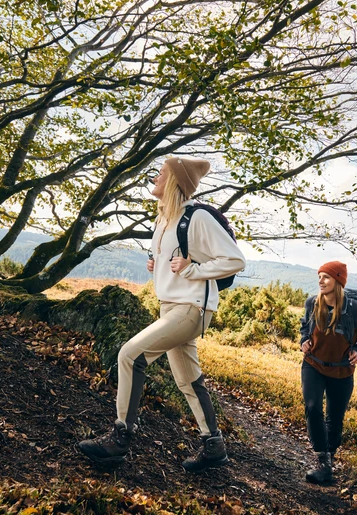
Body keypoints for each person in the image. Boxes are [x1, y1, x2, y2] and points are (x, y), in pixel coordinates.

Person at [78, 156, 246, 472]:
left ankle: (120, 438)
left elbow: (235, 260)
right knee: (188, 380)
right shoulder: (163, 221)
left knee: (130, 355)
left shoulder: (196, 217)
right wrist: (157, 267)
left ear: (174, 182)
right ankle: (214, 447)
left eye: (162, 173)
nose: (155, 176)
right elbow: (174, 262)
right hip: (170, 306)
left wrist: (195, 268)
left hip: (191, 309)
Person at [299, 261, 357, 485]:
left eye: (326, 277)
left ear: (338, 282)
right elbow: (305, 325)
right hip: (313, 364)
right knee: (313, 407)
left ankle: (328, 461)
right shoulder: (313, 303)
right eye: (320, 276)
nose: (321, 281)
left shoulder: (355, 309)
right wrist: (304, 340)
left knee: (334, 419)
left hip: (342, 371)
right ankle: (322, 461)